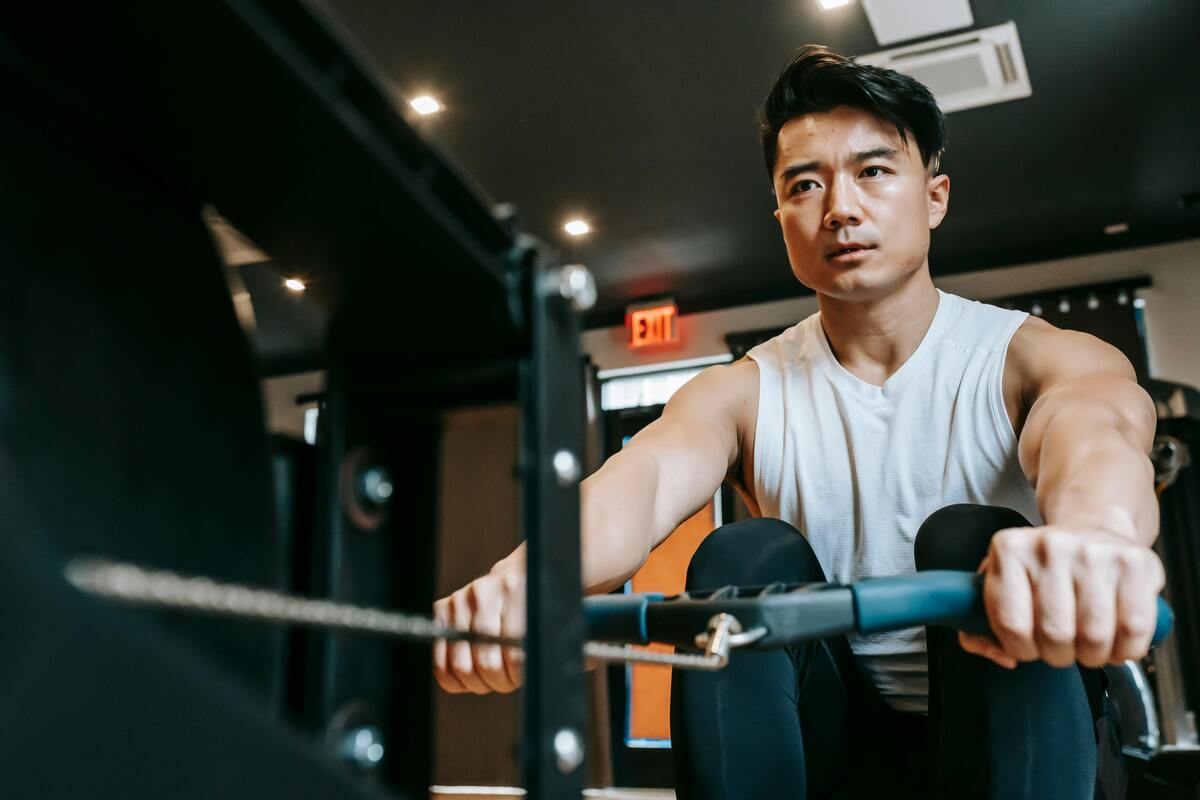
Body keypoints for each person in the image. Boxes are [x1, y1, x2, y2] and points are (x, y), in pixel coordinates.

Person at [432, 45, 1165, 799]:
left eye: (873, 171)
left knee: (970, 537)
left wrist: (1096, 539)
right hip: (841, 746)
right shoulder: (745, 390)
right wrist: (523, 583)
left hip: (1019, 727)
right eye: (805, 184)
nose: (840, 207)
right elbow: (642, 481)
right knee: (744, 556)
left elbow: (1098, 432)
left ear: (935, 195)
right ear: (781, 214)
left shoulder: (1032, 357)